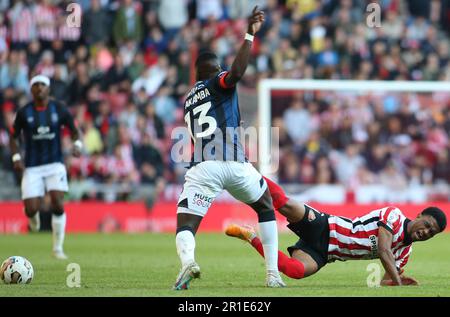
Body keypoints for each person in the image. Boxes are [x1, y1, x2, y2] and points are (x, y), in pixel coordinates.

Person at [173, 7, 285, 290]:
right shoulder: (218, 82)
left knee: (186, 225)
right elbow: (236, 73)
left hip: (204, 167)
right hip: (235, 164)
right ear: (213, 71)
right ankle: (272, 274)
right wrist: (249, 33)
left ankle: (188, 263)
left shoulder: (189, 99)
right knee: (264, 206)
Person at [226, 177, 447, 286]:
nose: (426, 232)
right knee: (283, 203)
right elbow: (383, 250)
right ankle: (247, 172)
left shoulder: (405, 253)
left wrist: (397, 280)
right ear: (418, 216)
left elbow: (383, 281)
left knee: (294, 271)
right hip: (325, 226)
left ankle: (250, 236)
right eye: (427, 225)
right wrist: (398, 282)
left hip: (326, 253)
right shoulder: (394, 216)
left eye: (432, 233)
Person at [9, 75, 82, 260]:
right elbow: (13, 136)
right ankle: (33, 221)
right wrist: (16, 157)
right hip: (32, 166)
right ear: (31, 90)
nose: (39, 88)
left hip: (55, 163)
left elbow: (74, 129)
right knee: (31, 209)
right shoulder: (24, 112)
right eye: (35, 85)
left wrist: (78, 144)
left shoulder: (59, 109)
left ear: (48, 89)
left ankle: (58, 248)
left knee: (57, 201)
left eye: (43, 85)